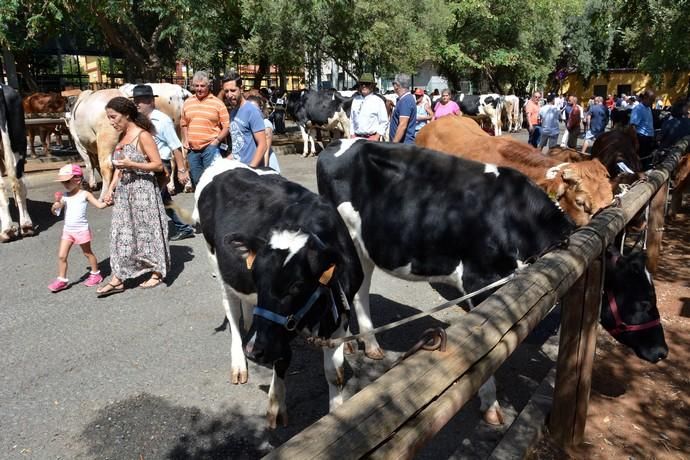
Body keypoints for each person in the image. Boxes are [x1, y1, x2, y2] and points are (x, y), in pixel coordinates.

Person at [98, 97, 170, 297]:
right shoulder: (122, 136)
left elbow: (157, 165)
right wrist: (110, 189)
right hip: (125, 192)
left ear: (126, 114)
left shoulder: (143, 135)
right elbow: (119, 169)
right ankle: (118, 277)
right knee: (122, 234)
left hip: (143, 191)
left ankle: (156, 271)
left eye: (113, 117)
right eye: (109, 117)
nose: (111, 121)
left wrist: (133, 165)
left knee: (148, 232)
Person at [132, 84, 195, 241]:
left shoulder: (162, 120)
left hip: (161, 166)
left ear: (150, 101)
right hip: (147, 166)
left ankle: (150, 236)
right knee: (163, 199)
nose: (137, 104)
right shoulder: (138, 121)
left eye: (140, 100)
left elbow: (175, 146)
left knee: (152, 201)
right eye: (135, 100)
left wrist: (181, 170)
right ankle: (184, 227)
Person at [48, 164, 108, 292]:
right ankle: (62, 279)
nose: (65, 184)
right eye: (63, 182)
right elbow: (56, 212)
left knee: (87, 253)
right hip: (68, 231)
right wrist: (55, 206)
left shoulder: (85, 194)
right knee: (61, 256)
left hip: (81, 230)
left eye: (67, 181)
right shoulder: (64, 196)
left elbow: (99, 205)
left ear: (78, 180)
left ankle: (96, 274)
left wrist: (107, 202)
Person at [181, 71, 230, 187]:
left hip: (210, 147)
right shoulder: (187, 103)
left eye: (202, 86)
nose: (199, 89)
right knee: (197, 180)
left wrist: (216, 141)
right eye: (196, 85)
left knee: (212, 180)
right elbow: (183, 124)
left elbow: (227, 126)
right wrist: (185, 139)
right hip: (193, 150)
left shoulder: (218, 103)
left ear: (208, 86)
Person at [222, 73, 267, 167]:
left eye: (233, 90)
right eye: (226, 91)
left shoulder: (252, 111)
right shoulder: (233, 113)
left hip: (251, 172)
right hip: (237, 169)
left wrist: (250, 169)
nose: (229, 95)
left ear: (241, 89)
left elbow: (262, 145)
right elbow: (238, 149)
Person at [246, 95, 281, 171]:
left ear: (260, 108)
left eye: (254, 108)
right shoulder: (247, 124)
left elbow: (266, 151)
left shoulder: (265, 124)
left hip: (265, 164)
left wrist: (265, 170)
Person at [350, 72, 389, 141]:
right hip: (356, 138)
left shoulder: (378, 101)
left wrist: (377, 136)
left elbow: (384, 121)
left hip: (371, 138)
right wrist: (352, 134)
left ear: (372, 86)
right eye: (362, 84)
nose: (364, 86)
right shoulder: (355, 100)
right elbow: (352, 119)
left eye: (367, 84)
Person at [630, 89, 657, 169]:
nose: (652, 102)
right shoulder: (638, 109)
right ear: (645, 97)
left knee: (646, 159)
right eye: (651, 100)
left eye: (653, 100)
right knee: (640, 160)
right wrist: (636, 141)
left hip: (648, 137)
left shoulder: (648, 108)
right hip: (641, 137)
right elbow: (633, 126)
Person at [389, 73, 416, 143]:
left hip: (402, 146)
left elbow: (402, 125)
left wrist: (393, 145)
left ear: (397, 85)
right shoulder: (404, 99)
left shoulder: (406, 100)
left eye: (393, 83)